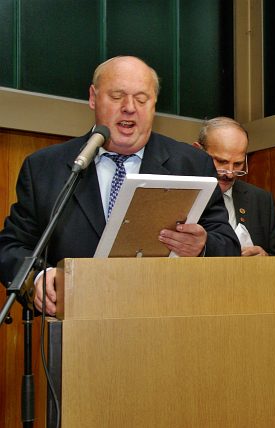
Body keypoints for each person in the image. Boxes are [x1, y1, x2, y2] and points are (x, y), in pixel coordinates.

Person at [0, 56, 240, 316]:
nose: (129, 108)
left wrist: (202, 247)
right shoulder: (45, 167)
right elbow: (12, 246)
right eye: (117, 96)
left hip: (169, 323)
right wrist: (38, 278)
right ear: (93, 97)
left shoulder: (191, 164)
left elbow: (228, 244)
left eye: (141, 99)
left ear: (154, 104)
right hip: (79, 325)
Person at [193, 117, 275, 256]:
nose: (230, 173)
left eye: (238, 164)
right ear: (197, 151)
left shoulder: (260, 200)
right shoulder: (176, 193)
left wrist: (266, 258)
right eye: (221, 161)